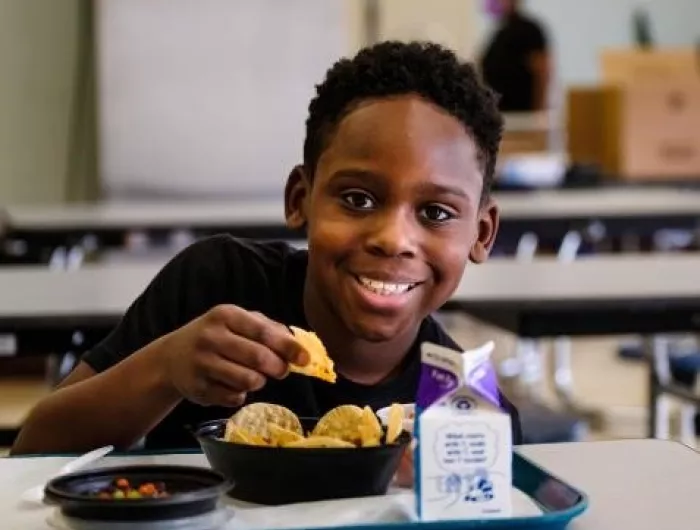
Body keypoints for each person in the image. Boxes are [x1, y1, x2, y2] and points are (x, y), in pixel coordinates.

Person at [12, 41, 521, 455]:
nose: (392, 238)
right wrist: (166, 368)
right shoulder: (216, 287)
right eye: (358, 198)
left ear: (481, 234)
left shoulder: (468, 417)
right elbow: (37, 449)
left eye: (435, 212)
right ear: (300, 199)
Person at [480, 0, 551, 112]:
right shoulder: (499, 33)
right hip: (499, 113)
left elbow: (543, 72)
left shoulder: (530, 30)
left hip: (523, 115)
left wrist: (539, 112)